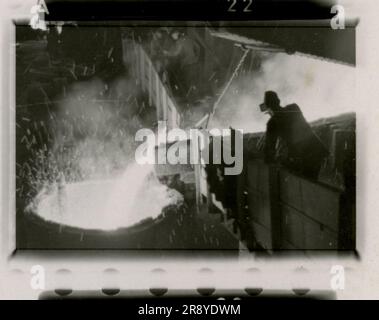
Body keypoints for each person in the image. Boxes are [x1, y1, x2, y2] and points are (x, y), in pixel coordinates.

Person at [259, 90, 329, 180]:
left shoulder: (272, 123)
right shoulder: (294, 107)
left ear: (268, 108)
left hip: (301, 156)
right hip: (316, 150)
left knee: (303, 182)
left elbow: (269, 151)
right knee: (311, 181)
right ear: (278, 101)